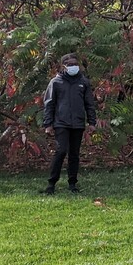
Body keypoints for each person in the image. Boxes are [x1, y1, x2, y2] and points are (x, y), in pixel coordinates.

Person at [42, 53, 97, 194]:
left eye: (75, 64)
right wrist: (48, 124)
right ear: (64, 66)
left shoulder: (84, 82)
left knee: (74, 154)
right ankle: (51, 183)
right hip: (61, 123)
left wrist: (92, 122)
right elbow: (49, 104)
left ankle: (72, 183)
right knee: (61, 151)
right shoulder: (56, 82)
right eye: (70, 64)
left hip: (78, 123)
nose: (74, 66)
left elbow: (89, 103)